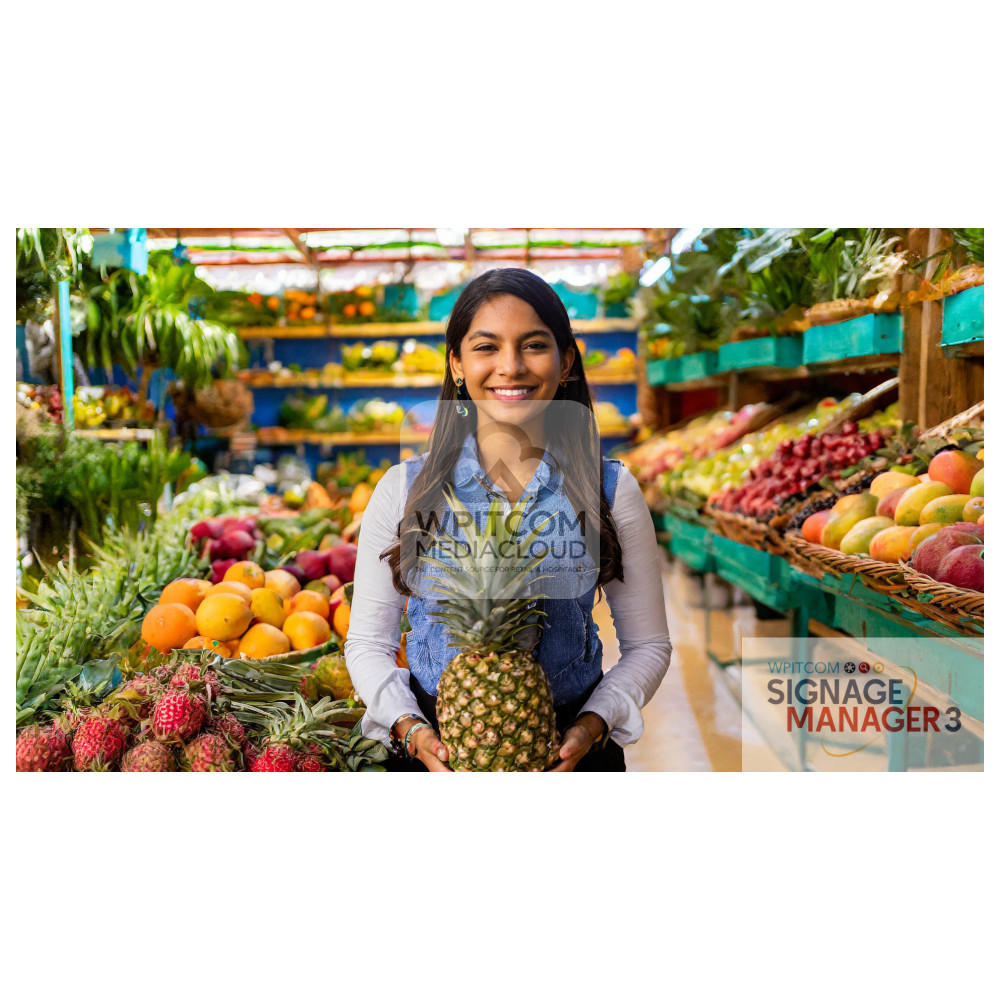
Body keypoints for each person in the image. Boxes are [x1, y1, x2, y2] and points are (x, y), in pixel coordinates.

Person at [344, 268, 672, 771]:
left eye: (534, 345)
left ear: (565, 362)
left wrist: (595, 723)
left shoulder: (608, 490)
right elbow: (368, 643)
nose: (511, 366)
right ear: (456, 364)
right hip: (435, 746)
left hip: (575, 748)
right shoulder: (404, 490)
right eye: (486, 347)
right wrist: (409, 728)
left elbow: (648, 646)